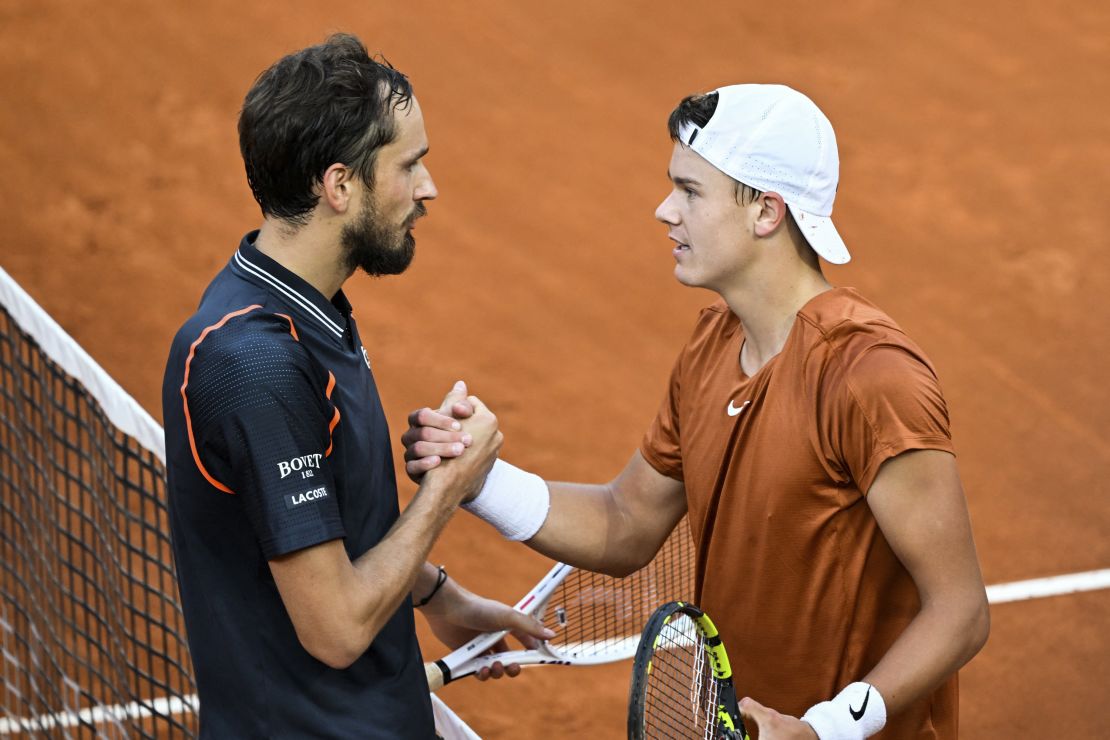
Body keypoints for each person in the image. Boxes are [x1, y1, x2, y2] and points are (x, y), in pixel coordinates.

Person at [403, 84, 990, 739]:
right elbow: (625, 521)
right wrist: (478, 478)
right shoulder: (713, 345)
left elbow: (959, 610)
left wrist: (825, 729)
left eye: (690, 191)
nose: (664, 210)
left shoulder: (871, 377)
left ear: (766, 212)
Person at [161, 34, 550, 739]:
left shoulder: (299, 308)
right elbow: (336, 628)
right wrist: (447, 488)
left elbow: (321, 527)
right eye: (409, 166)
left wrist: (439, 595)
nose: (428, 189)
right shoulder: (258, 364)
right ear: (339, 186)